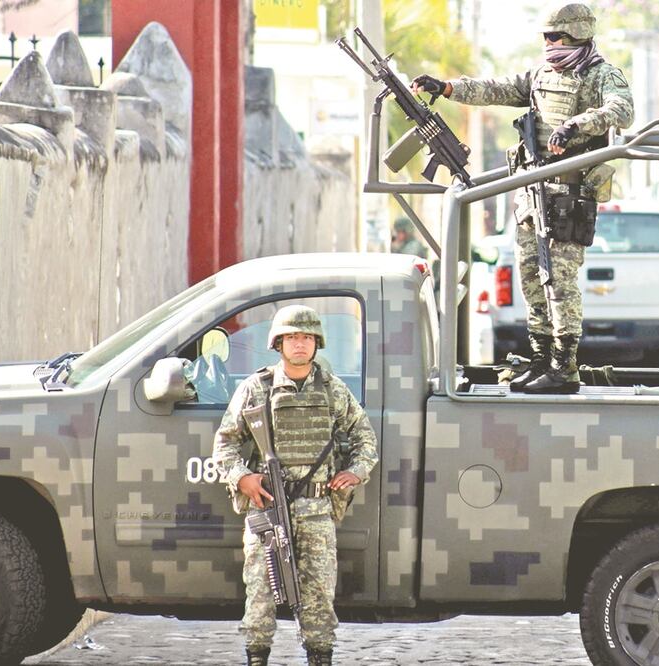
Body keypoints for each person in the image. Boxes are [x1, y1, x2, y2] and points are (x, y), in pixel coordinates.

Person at [411, 2, 633, 394]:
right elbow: (496, 88)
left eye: (555, 37)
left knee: (559, 282)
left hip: (569, 195)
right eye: (546, 37)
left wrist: (576, 124)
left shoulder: (600, 75)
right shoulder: (540, 76)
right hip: (533, 193)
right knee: (531, 277)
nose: (549, 44)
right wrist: (446, 88)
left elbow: (622, 109)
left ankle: (564, 368)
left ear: (577, 35)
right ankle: (541, 360)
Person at [212, 305, 378, 666]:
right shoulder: (257, 388)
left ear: (316, 343)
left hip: (317, 511)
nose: (299, 344)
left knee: (318, 599)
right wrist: (243, 477)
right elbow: (225, 443)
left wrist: (357, 471)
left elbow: (365, 438)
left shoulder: (333, 390)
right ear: (278, 343)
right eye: (291, 338)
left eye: (305, 338)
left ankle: (320, 658)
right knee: (260, 595)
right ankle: (257, 658)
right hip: (268, 510)